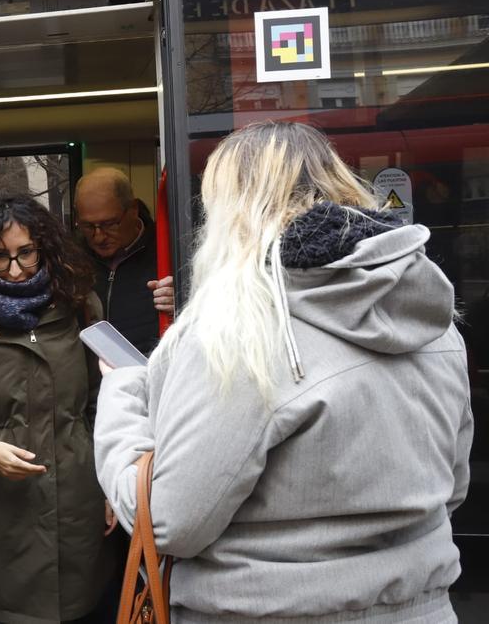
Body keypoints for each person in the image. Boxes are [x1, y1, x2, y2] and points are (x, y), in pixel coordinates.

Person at [95, 121, 472, 623]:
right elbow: (452, 488)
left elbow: (168, 524)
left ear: (231, 212)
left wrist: (121, 394)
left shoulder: (240, 333)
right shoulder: (430, 319)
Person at [0, 190, 118, 624]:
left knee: (83, 605)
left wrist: (110, 482)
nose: (14, 269)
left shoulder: (81, 305)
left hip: (76, 499)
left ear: (44, 247)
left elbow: (100, 402)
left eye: (26, 253)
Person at [73, 167, 173, 353]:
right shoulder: (71, 260)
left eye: (109, 224)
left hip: (152, 371)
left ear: (133, 210)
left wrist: (180, 304)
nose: (99, 237)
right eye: (87, 226)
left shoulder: (169, 250)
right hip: (95, 377)